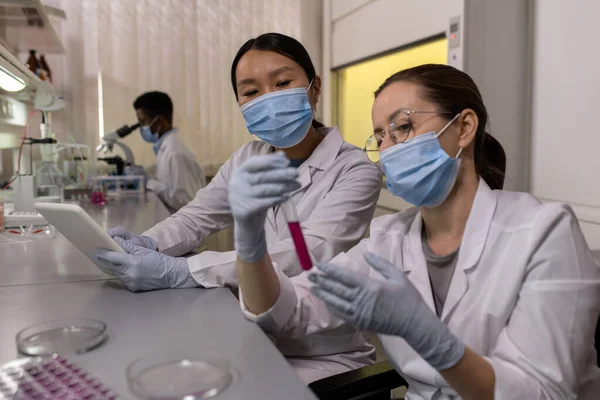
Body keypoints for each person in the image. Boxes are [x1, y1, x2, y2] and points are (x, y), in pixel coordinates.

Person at [232, 64, 600, 396]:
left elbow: (544, 393)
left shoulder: (545, 232)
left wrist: (431, 338)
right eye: (380, 138)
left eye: (403, 127)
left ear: (464, 127)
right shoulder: (388, 239)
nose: (389, 150)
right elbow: (289, 311)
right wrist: (249, 241)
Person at [93, 33, 382, 304]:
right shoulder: (247, 157)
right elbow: (196, 218)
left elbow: (307, 251)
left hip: (321, 343)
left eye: (282, 83)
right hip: (251, 315)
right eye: (252, 91)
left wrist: (184, 270)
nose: (268, 99)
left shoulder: (354, 169)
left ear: (315, 87)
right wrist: (149, 242)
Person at [133, 91, 206, 212]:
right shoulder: (166, 148)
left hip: (185, 228)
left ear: (160, 121)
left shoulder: (176, 152)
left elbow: (186, 200)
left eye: (144, 122)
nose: (141, 128)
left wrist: (149, 183)